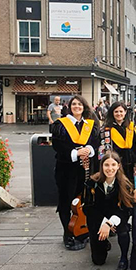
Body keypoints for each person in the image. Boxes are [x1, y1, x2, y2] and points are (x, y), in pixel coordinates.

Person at [51, 95, 100, 251]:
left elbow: (95, 142)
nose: (77, 107)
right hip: (66, 169)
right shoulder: (61, 124)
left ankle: (82, 231)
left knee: (84, 200)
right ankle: (68, 234)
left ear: (84, 107)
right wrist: (75, 153)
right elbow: (58, 145)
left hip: (85, 169)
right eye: (74, 104)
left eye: (80, 104)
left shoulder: (90, 125)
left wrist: (89, 150)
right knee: (67, 201)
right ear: (69, 107)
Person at [82, 152, 134, 270]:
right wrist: (103, 222)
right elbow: (87, 207)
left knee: (123, 230)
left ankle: (124, 257)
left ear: (118, 166)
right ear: (102, 166)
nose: (110, 169)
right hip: (98, 218)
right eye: (106, 165)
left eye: (113, 165)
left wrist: (110, 223)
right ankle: (104, 242)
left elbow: (127, 209)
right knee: (98, 260)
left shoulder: (125, 184)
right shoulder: (92, 183)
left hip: (116, 217)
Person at [100, 101, 136, 185]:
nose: (119, 114)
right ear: (112, 113)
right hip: (114, 163)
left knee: (129, 186)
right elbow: (103, 147)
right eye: (116, 111)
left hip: (129, 162)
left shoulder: (130, 127)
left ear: (125, 112)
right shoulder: (107, 129)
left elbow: (134, 146)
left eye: (121, 111)